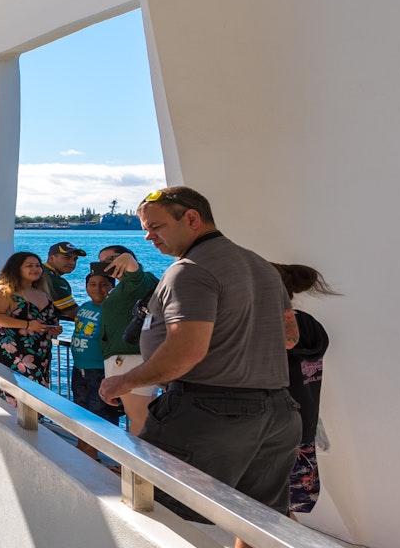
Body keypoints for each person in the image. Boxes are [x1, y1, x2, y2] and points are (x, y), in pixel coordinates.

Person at [98, 186, 301, 537]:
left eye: (156, 227)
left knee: (158, 514)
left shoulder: (189, 270)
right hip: (277, 414)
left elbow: (185, 353)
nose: (148, 237)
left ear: (191, 218)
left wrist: (124, 381)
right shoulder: (261, 267)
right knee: (259, 526)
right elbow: (289, 337)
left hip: (207, 414)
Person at [272, 263, 336, 516]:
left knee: (264, 514)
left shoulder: (268, 331)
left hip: (270, 434)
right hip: (303, 432)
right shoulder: (310, 325)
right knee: (279, 514)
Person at [96, 245, 161, 433]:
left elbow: (135, 273)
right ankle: (135, 462)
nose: (106, 265)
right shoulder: (136, 284)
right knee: (144, 416)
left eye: (111, 259)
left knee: (138, 418)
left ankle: (132, 463)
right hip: (138, 356)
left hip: (127, 358)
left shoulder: (137, 281)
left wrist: (127, 260)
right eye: (102, 262)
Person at [0, 251, 61, 401]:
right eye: (29, 266)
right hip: (11, 350)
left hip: (40, 351)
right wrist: (27, 325)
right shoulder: (3, 291)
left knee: (37, 393)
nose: (35, 269)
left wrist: (54, 329)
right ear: (16, 268)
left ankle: (34, 423)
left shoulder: (43, 294)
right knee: (14, 394)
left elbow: (47, 320)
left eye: (38, 266)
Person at [70, 272, 121, 458]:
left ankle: (92, 454)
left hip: (100, 370)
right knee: (81, 409)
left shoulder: (113, 310)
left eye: (104, 284)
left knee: (99, 413)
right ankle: (81, 445)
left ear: (113, 286)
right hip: (79, 368)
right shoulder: (84, 307)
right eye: (92, 284)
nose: (98, 289)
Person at [42, 242, 87, 321]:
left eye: (75, 259)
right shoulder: (54, 280)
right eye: (67, 258)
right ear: (51, 258)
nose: (72, 263)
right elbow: (75, 314)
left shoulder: (41, 271)